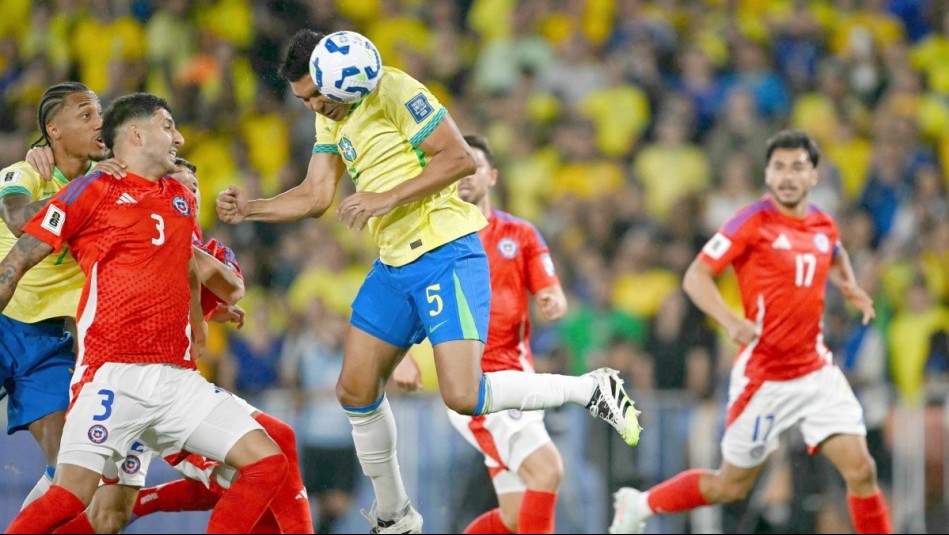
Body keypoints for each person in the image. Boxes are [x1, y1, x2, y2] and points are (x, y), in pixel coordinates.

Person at [216, 29, 640, 533]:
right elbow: (315, 196)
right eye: (304, 99)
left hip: (444, 253)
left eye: (315, 95)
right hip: (394, 265)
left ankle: (590, 388)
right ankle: (396, 514)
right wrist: (252, 210)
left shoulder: (397, 91)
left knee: (463, 394)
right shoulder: (332, 115)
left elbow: (459, 158)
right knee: (354, 390)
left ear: (341, 79)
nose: (313, 106)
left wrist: (385, 197)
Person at [1, 92, 288, 534]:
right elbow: (17, 257)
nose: (180, 137)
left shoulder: (180, 197)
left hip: (175, 379)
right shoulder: (88, 189)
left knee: (270, 461)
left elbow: (182, 273)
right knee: (73, 494)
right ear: (136, 134)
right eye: (168, 126)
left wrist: (209, 311)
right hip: (109, 373)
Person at [609, 130, 892, 535]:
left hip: (815, 372)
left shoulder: (823, 224)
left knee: (862, 470)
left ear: (814, 175)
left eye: (797, 167)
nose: (788, 176)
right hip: (765, 377)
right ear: (768, 175)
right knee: (730, 485)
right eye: (779, 167)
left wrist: (851, 287)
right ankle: (641, 504)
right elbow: (696, 277)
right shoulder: (752, 221)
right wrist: (730, 320)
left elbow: (833, 253)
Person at [48, 158, 314, 535]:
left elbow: (233, 287)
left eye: (193, 189)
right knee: (103, 515)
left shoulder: (214, 250)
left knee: (262, 457)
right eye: (177, 187)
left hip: (179, 393)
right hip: (122, 387)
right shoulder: (130, 239)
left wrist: (186, 256)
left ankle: (143, 502)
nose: (185, 195)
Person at [392, 134, 572, 534]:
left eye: (473, 165)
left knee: (513, 516)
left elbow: (550, 287)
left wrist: (553, 301)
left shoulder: (521, 234)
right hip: (477, 385)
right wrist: (402, 356)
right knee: (548, 471)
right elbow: (402, 303)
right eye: (457, 166)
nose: (464, 175)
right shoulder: (433, 240)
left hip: (522, 380)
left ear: (492, 176)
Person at [0, 81, 126, 509]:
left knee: (67, 466)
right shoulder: (27, 172)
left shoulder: (109, 181)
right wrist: (81, 194)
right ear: (54, 130)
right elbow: (18, 220)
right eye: (86, 115)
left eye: (99, 114)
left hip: (49, 340)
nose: (99, 123)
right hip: (3, 317)